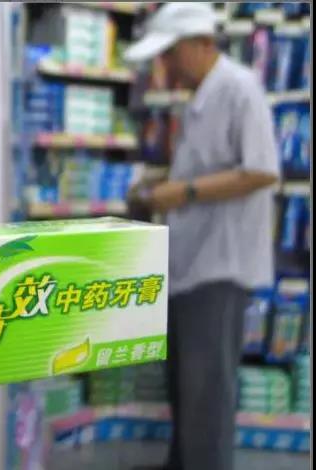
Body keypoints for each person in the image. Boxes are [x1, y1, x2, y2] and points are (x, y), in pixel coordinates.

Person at [124, 3, 279, 470]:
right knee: (186, 387)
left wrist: (183, 191)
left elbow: (262, 170)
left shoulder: (240, 89)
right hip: (192, 263)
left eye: (170, 54)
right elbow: (210, 165)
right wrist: (159, 186)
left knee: (207, 395)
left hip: (220, 267)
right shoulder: (201, 96)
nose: (165, 66)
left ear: (201, 43)